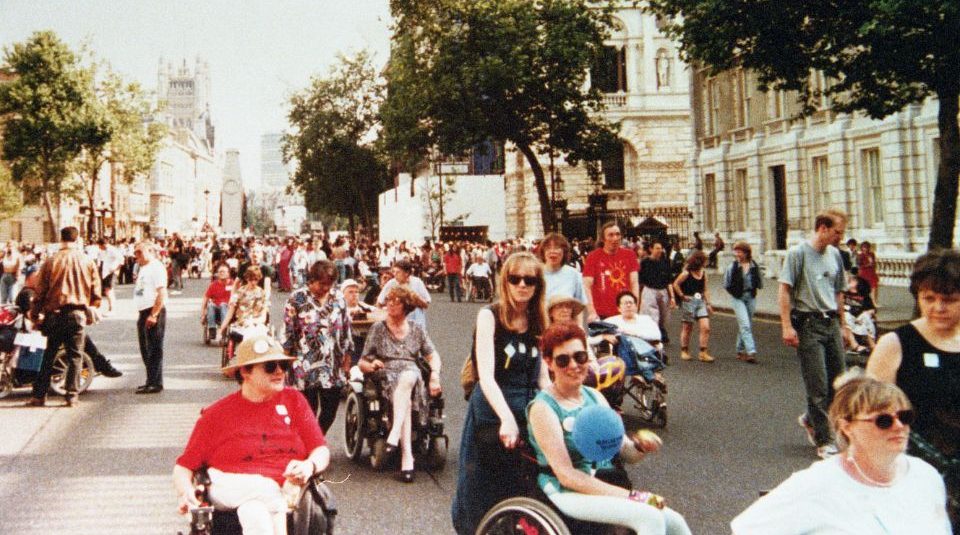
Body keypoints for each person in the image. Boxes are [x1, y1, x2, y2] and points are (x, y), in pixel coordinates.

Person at [527, 322, 692, 534]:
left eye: (580, 356)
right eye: (562, 360)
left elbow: (623, 452)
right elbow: (566, 475)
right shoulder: (543, 408)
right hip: (565, 491)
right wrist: (631, 496)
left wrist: (641, 447)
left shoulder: (594, 396)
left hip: (598, 480)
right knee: (649, 516)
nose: (574, 365)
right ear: (549, 363)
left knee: (674, 521)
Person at [731, 376, 951, 535]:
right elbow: (746, 529)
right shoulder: (815, 485)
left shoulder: (925, 476)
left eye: (904, 417)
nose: (898, 426)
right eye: (883, 421)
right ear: (847, 427)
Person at [173, 335, 331, 535]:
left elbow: (320, 449)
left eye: (283, 365)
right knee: (267, 490)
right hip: (230, 485)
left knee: (254, 510)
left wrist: (309, 466)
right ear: (245, 372)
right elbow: (184, 467)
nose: (280, 371)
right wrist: (186, 492)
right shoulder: (217, 414)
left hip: (286, 493)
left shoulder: (294, 401)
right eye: (270, 366)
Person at [452, 252, 551, 535]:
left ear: (537, 285)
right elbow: (486, 376)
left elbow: (543, 376)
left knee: (526, 484)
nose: (522, 285)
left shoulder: (539, 320)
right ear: (505, 281)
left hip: (528, 406)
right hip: (493, 408)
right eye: (515, 278)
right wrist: (506, 418)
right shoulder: (490, 316)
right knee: (482, 492)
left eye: (529, 280)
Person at [867, 248, 960, 529]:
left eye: (949, 300)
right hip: (915, 471)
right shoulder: (896, 345)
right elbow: (870, 418)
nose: (937, 308)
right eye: (928, 298)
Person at [778, 209, 849, 458]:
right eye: (837, 232)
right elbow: (784, 291)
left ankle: (811, 418)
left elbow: (839, 292)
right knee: (817, 385)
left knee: (839, 384)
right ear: (822, 228)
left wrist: (845, 326)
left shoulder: (836, 255)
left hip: (831, 323)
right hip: (808, 325)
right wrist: (787, 326)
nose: (840, 237)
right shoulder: (798, 254)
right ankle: (824, 440)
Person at [358, 286, 442, 483]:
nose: (389, 304)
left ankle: (395, 436)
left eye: (395, 301)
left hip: (410, 375)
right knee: (405, 384)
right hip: (386, 376)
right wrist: (372, 364)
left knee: (409, 375)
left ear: (406, 306)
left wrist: (435, 375)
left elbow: (433, 355)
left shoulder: (417, 329)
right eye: (388, 300)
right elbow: (362, 362)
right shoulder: (378, 329)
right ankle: (407, 458)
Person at [27, 227, 101, 407]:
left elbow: (40, 291)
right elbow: (96, 293)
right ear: (77, 240)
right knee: (75, 355)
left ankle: (39, 395)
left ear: (61, 239)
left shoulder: (51, 261)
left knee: (49, 355)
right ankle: (71, 395)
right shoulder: (88, 261)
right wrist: (90, 309)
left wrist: (35, 315)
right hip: (77, 314)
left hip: (55, 314)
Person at [282, 260, 354, 433]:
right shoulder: (296, 299)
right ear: (311, 280)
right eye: (322, 284)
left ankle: (316, 440)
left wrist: (347, 361)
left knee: (330, 411)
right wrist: (284, 364)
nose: (326, 288)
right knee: (308, 411)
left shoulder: (338, 298)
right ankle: (309, 444)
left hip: (332, 365)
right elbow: (288, 334)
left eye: (330, 284)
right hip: (305, 365)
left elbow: (345, 329)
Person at [583, 222, 640, 321]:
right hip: (601, 314)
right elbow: (586, 286)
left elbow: (634, 283)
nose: (615, 238)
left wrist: (635, 307)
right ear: (602, 239)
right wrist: (591, 311)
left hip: (624, 312)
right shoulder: (593, 257)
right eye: (611, 235)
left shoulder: (630, 255)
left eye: (618, 234)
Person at [133, 241, 168, 394]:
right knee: (145, 348)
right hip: (143, 310)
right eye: (135, 253)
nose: (136, 256)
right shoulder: (143, 267)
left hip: (153, 311)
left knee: (154, 348)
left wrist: (154, 314)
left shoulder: (156, 267)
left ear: (150, 251)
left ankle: (155, 382)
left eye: (140, 252)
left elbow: (161, 292)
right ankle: (150, 380)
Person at [723, 241, 763, 364]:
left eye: (739, 251)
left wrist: (757, 288)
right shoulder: (732, 267)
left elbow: (759, 280)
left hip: (750, 296)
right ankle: (751, 352)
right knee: (745, 324)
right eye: (736, 251)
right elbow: (726, 284)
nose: (737, 254)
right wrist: (734, 293)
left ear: (746, 253)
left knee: (746, 324)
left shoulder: (754, 266)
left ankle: (739, 349)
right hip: (738, 298)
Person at [672, 250, 714, 363]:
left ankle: (703, 352)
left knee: (705, 327)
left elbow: (705, 289)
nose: (707, 262)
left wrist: (708, 303)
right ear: (699, 261)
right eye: (705, 260)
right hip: (689, 301)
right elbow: (675, 284)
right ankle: (684, 351)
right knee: (687, 327)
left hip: (700, 302)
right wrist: (682, 296)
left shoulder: (704, 273)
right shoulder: (686, 273)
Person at [376, 260, 431, 328]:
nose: (395, 274)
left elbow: (426, 304)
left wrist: (413, 297)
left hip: (416, 321)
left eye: (398, 272)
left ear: (407, 273)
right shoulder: (391, 283)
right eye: (394, 272)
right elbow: (379, 302)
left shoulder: (417, 282)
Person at [639, 240, 675, 343]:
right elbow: (640, 280)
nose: (660, 250)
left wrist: (672, 297)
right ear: (651, 249)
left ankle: (661, 329)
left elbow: (669, 281)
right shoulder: (645, 263)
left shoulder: (665, 262)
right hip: (650, 290)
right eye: (657, 248)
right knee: (652, 314)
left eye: (661, 248)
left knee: (663, 315)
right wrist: (639, 296)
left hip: (662, 290)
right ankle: (654, 335)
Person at [219, 266, 269, 341]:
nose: (253, 282)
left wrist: (253, 321)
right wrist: (221, 329)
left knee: (260, 335)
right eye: (251, 279)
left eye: (256, 280)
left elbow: (263, 316)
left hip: (257, 323)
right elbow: (230, 313)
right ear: (247, 278)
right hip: (241, 325)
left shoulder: (262, 294)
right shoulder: (239, 293)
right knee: (248, 333)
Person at [539, 232, 586, 306]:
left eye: (557, 248)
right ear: (543, 252)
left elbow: (582, 304)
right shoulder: (536, 273)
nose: (552, 251)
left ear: (564, 251)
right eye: (548, 248)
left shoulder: (574, 275)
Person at [842, 270, 877, 353]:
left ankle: (872, 345)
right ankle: (854, 345)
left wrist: (864, 315)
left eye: (853, 281)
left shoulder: (863, 297)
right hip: (848, 321)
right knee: (846, 315)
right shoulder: (844, 294)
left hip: (859, 321)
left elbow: (871, 309)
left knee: (865, 317)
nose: (850, 281)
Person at [201, 263, 234, 343]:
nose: (222, 273)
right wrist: (203, 314)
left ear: (228, 273)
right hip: (216, 309)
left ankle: (223, 330)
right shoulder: (213, 285)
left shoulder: (233, 284)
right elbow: (206, 298)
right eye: (220, 272)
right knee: (211, 305)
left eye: (223, 271)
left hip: (228, 309)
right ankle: (212, 329)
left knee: (223, 305)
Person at [97, 238, 123, 314]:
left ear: (104, 244)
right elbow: (101, 262)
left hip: (111, 271)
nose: (99, 247)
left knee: (108, 290)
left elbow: (121, 260)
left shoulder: (112, 250)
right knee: (107, 290)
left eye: (100, 246)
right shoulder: (102, 251)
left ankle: (111, 309)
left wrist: (116, 269)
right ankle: (112, 307)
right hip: (105, 272)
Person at [858, 241, 879, 306]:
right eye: (864, 247)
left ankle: (874, 301)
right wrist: (868, 265)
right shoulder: (860, 256)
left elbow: (874, 263)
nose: (865, 249)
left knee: (874, 287)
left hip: (872, 272)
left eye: (866, 247)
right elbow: (859, 266)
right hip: (864, 273)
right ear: (861, 248)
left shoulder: (872, 254)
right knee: (864, 288)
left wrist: (874, 268)